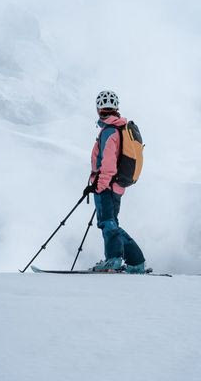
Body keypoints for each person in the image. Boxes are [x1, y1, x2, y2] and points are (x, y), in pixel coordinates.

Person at [82, 90, 147, 273]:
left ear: (98, 109)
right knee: (112, 223)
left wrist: (99, 186)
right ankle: (136, 262)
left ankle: (113, 259)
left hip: (107, 186)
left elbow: (108, 164)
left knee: (107, 223)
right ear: (116, 108)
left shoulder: (109, 131)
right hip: (117, 185)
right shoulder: (119, 128)